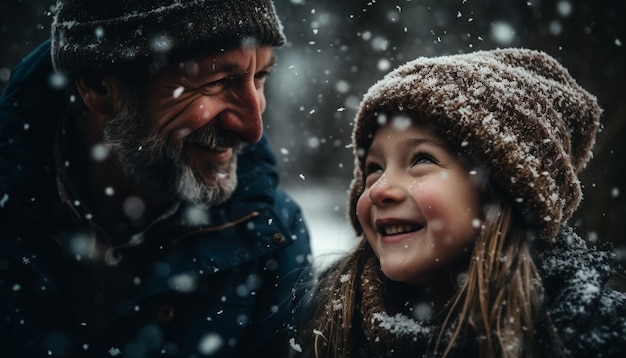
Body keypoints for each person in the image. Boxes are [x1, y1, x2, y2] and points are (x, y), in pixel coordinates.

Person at [0, 0, 311, 357]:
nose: (252, 128)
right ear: (98, 85)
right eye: (216, 82)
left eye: (260, 77)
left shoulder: (270, 234)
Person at [291, 49, 626, 357]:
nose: (379, 190)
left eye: (421, 159)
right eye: (373, 169)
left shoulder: (589, 334)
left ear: (499, 192)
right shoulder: (323, 326)